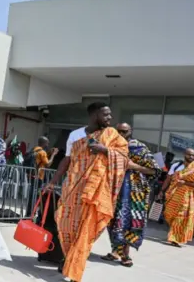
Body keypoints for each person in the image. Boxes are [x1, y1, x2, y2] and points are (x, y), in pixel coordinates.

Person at [46, 102, 129, 282]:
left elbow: (123, 157)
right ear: (94, 115)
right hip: (73, 188)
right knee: (66, 225)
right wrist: (52, 182)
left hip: (96, 192)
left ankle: (75, 271)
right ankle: (69, 260)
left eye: (110, 114)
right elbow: (66, 161)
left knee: (86, 231)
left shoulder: (112, 135)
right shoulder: (75, 135)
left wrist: (105, 150)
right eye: (106, 115)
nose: (110, 118)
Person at [102, 123, 160, 267]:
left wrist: (133, 166)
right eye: (119, 131)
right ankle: (116, 251)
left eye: (125, 131)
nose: (121, 134)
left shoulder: (140, 148)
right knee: (113, 222)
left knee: (128, 222)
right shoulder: (111, 146)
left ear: (131, 131)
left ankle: (125, 255)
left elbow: (154, 170)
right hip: (113, 190)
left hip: (134, 193)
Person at [158, 148, 194, 247]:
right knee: (169, 214)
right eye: (189, 155)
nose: (191, 157)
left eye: (193, 155)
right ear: (184, 155)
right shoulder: (176, 165)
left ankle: (175, 238)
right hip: (173, 195)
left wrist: (185, 183)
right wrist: (162, 191)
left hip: (188, 197)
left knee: (181, 217)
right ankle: (173, 233)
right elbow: (168, 179)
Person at [25, 136, 58, 213]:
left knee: (31, 195)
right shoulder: (42, 152)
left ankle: (29, 213)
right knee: (35, 196)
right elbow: (47, 164)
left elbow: (40, 160)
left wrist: (49, 153)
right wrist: (53, 155)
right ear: (44, 143)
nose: (48, 144)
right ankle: (30, 214)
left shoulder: (34, 149)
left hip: (30, 175)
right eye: (47, 143)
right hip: (38, 176)